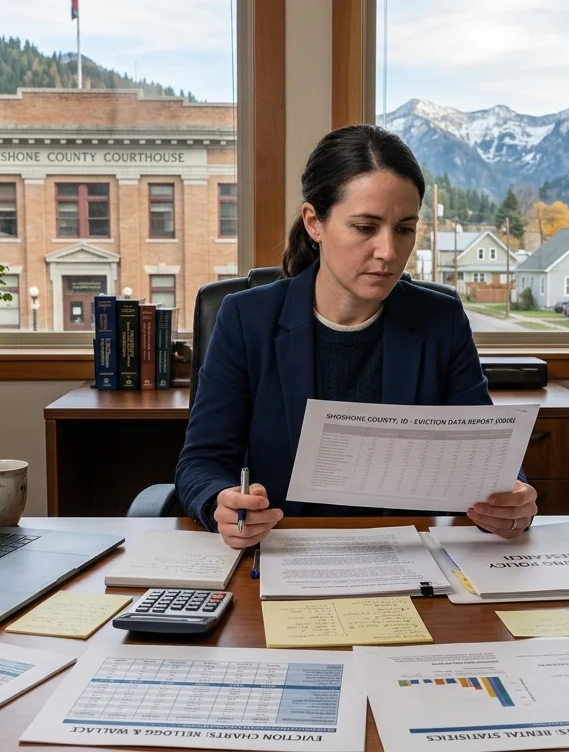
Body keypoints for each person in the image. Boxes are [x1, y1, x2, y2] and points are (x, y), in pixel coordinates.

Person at [176, 124, 538, 549]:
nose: (388, 251)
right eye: (366, 228)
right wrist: (222, 503)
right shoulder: (246, 318)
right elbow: (201, 462)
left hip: (407, 557)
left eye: (404, 229)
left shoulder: (440, 319)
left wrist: (511, 499)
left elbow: (484, 460)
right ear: (315, 222)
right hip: (281, 552)